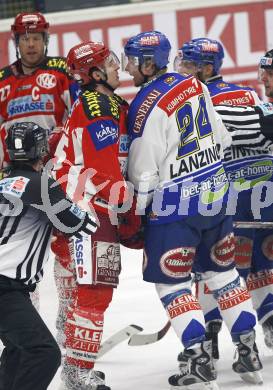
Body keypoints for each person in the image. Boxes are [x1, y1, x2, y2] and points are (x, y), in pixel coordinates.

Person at [123, 30, 263, 388]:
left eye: (131, 59)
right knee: (224, 275)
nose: (127, 68)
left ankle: (198, 359)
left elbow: (143, 172)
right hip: (217, 193)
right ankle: (249, 352)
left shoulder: (144, 105)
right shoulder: (195, 86)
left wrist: (136, 214)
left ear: (148, 61)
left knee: (172, 285)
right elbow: (223, 138)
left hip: (175, 204)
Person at [174, 39, 273, 359]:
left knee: (214, 266)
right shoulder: (247, 94)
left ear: (205, 68)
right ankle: (269, 318)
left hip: (223, 197)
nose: (182, 70)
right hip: (262, 191)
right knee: (260, 257)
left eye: (188, 65)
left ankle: (211, 328)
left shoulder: (193, 99)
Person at [52, 40, 133, 390]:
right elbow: (104, 170)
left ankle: (72, 352)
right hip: (88, 208)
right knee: (96, 291)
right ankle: (76, 369)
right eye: (110, 63)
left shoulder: (105, 102)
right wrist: (127, 208)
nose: (118, 68)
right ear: (95, 73)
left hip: (76, 204)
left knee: (87, 289)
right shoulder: (100, 105)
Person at [0, 11, 79, 347]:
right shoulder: (2, 80)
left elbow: (79, 119)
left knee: (64, 248)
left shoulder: (62, 73)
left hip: (55, 172)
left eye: (35, 38)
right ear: (15, 43)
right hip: (15, 177)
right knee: (16, 251)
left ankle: (65, 320)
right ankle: (24, 328)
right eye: (24, 39)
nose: (30, 44)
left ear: (45, 40)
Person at [0, 121, 97, 390]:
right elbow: (83, 225)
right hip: (5, 288)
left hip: (9, 288)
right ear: (42, 150)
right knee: (44, 353)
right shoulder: (41, 184)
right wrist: (83, 197)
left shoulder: (2, 181)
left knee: (20, 351)